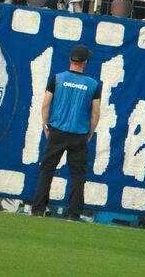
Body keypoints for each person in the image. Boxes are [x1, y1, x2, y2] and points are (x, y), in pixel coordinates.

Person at [31, 45, 101, 220]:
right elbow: (95, 112)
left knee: (47, 169)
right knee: (78, 174)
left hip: (57, 131)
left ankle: (38, 209)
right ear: (85, 62)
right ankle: (73, 214)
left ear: (71, 60)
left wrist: (46, 126)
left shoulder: (57, 78)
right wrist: (90, 133)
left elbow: (45, 104)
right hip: (79, 134)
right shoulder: (93, 84)